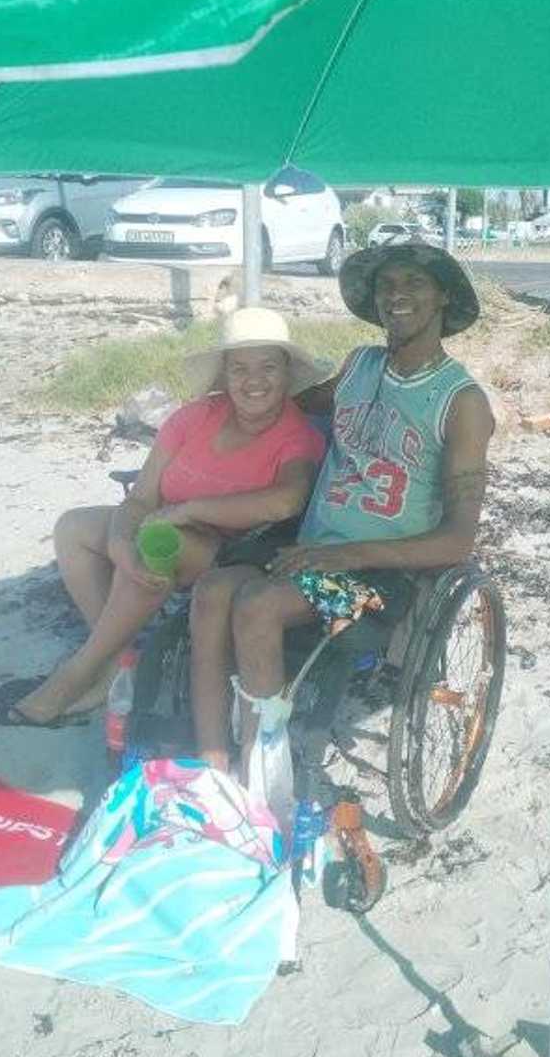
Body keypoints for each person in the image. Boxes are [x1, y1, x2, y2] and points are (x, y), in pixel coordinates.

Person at [189, 242, 493, 774]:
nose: (397, 295)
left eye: (414, 283)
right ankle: (212, 762)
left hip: (381, 576)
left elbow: (459, 540)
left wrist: (348, 555)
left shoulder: (460, 401)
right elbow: (292, 407)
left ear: (444, 296)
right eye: (386, 286)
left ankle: (263, 770)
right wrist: (218, 418)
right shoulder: (359, 366)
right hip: (312, 551)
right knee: (213, 589)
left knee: (258, 604)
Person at [0, 307, 329, 728]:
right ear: (223, 375)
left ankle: (75, 674)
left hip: (234, 556)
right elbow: (141, 498)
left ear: (287, 372)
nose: (253, 381)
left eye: (268, 367)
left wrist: (187, 510)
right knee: (74, 527)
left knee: (153, 545)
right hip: (165, 530)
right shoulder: (193, 418)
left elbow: (286, 501)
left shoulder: (297, 434)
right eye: (239, 368)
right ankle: (115, 659)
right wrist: (119, 544)